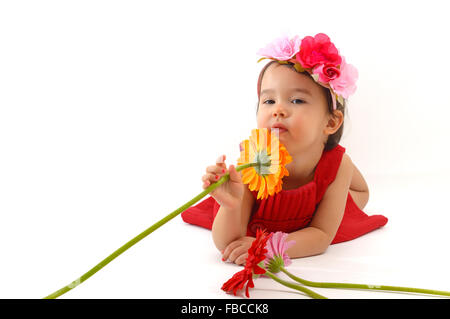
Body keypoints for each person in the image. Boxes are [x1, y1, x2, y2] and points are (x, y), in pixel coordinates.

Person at [181, 33, 388, 265]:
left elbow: (320, 236)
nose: (278, 110)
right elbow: (228, 242)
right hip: (263, 212)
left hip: (321, 190)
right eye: (269, 101)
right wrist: (230, 206)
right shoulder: (253, 162)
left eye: (297, 100)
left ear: (330, 123)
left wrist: (267, 247)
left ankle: (336, 200)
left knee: (357, 194)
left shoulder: (339, 166)